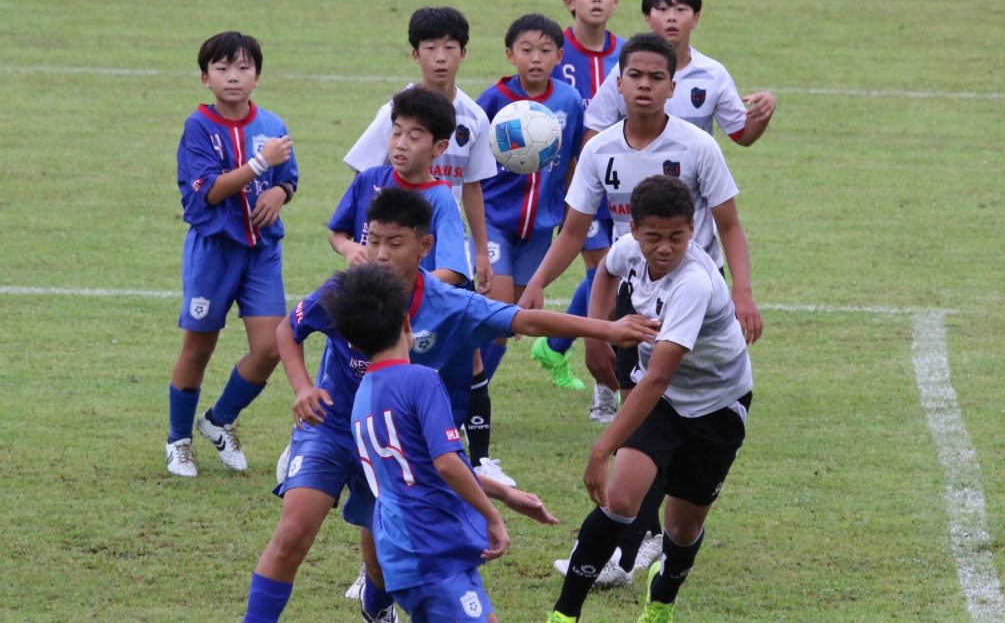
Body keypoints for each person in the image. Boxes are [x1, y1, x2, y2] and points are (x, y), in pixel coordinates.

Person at [243, 188, 657, 623]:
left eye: (394, 243)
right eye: (374, 240)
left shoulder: (450, 305)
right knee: (293, 532)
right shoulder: (350, 291)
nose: (380, 254)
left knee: (380, 560)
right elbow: (289, 329)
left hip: (393, 446)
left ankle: (376, 608)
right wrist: (303, 388)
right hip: (329, 428)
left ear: (425, 246)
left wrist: (606, 330)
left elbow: (525, 319)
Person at [520, 32, 763, 587]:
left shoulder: (697, 147)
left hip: (693, 296)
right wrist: (544, 291)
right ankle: (636, 537)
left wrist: (743, 292)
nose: (646, 86)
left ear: (672, 86)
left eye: (657, 77)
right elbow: (575, 232)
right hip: (634, 291)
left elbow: (729, 225)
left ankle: (628, 545)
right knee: (643, 421)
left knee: (650, 415)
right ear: (619, 82)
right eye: (636, 76)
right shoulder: (600, 150)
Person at [547, 176, 754, 623]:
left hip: (716, 407)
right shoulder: (628, 249)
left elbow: (659, 376)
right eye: (653, 237)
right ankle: (563, 615)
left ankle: (660, 602)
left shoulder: (693, 283)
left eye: (677, 237)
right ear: (635, 230)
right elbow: (604, 271)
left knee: (682, 529)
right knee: (620, 501)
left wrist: (602, 448)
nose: (664, 248)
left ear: (693, 229)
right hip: (660, 401)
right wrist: (597, 334)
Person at [343, 6, 497, 478]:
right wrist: (363, 248)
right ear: (416, 54)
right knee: (368, 350)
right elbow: (365, 181)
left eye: (450, 47)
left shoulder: (473, 118)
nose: (441, 57)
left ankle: (480, 458)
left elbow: (472, 186)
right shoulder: (393, 113)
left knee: (468, 349)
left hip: (440, 250)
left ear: (464, 53)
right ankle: (350, 437)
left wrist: (480, 250)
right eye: (431, 47)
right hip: (390, 256)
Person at [337, 263, 510, 623]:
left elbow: (416, 469)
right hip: (431, 546)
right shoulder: (421, 380)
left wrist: (507, 495)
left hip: (403, 547)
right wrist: (492, 516)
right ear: (407, 321)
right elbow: (447, 464)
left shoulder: (362, 396)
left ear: (353, 343)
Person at [166, 31, 297, 477]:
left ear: (257, 76)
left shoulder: (273, 126)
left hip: (262, 250)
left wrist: (280, 191)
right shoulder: (199, 127)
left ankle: (218, 420)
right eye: (222, 69)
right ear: (206, 78)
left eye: (243, 68)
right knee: (199, 347)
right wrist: (260, 165)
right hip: (214, 251)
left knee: (271, 347)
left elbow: (288, 178)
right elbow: (210, 191)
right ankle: (178, 440)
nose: (233, 77)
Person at [533, 0, 624, 421]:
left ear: (616, 0)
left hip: (622, 181)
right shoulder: (553, 52)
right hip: (575, 185)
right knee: (603, 270)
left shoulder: (628, 54)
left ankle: (555, 345)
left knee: (607, 273)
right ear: (570, 1)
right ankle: (604, 387)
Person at [475, 13, 584, 391]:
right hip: (495, 220)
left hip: (541, 226)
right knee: (497, 317)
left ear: (559, 56)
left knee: (511, 321)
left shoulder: (569, 100)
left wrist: (571, 211)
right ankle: (470, 399)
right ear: (510, 55)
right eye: (526, 50)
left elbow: (573, 160)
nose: (535, 58)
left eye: (545, 50)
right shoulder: (494, 99)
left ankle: (474, 394)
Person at [584, 0, 776, 145]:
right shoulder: (627, 72)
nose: (671, 17)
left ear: (696, 18)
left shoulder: (713, 74)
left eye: (681, 9)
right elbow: (595, 129)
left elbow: (743, 135)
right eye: (662, 9)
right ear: (648, 18)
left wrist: (765, 109)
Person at [329, 85, 470, 286]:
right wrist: (348, 248)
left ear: (439, 147)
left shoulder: (441, 199)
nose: (401, 144)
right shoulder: (369, 179)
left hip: (412, 303)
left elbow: (452, 271)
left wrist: (405, 287)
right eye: (396, 133)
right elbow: (337, 233)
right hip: (368, 296)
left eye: (414, 137)